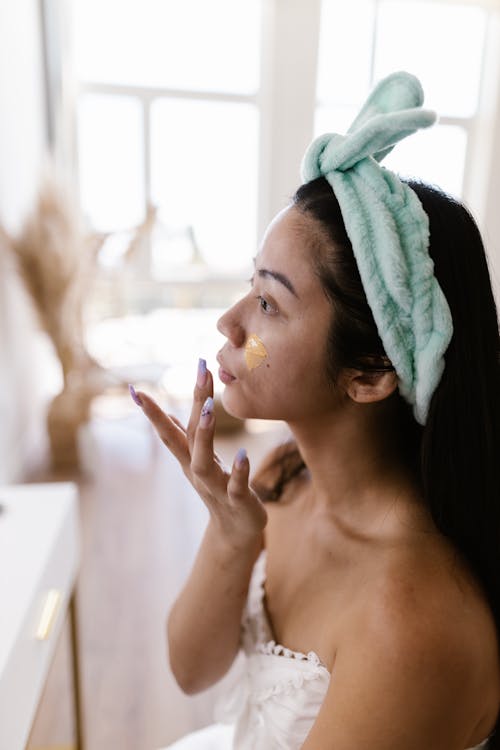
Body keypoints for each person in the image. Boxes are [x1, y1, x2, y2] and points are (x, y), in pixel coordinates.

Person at [130, 72, 500, 749]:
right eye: (252, 285)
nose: (230, 322)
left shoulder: (411, 620)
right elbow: (191, 670)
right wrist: (232, 537)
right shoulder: (283, 477)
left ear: (370, 374)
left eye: (269, 303)